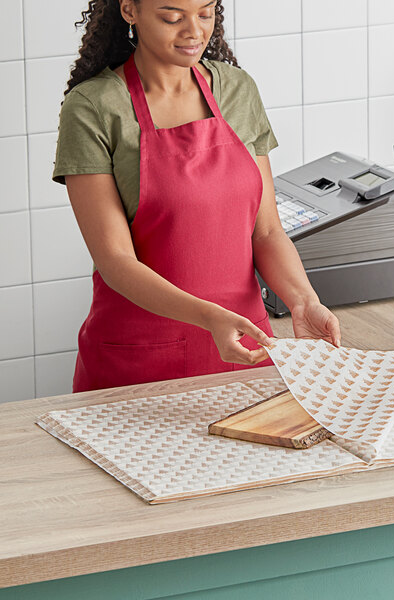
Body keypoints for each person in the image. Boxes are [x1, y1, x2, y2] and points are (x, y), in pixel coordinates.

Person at [53, 0, 341, 393]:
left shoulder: (237, 90)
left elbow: (267, 233)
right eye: (173, 17)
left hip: (245, 352)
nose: (194, 31)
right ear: (129, 10)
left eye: (206, 13)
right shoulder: (93, 107)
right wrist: (210, 318)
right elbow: (115, 260)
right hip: (137, 362)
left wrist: (303, 301)